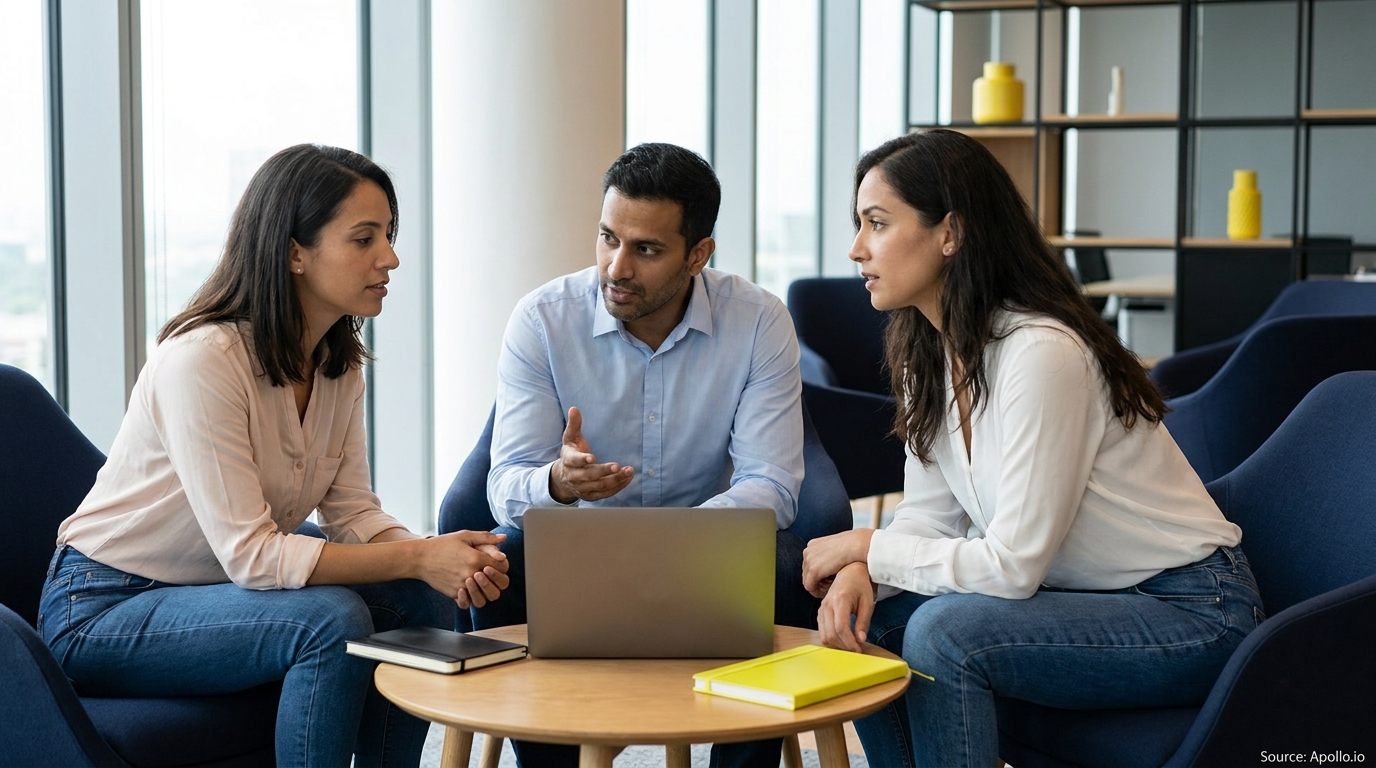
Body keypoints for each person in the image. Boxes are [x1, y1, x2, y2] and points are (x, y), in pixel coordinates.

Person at [801, 129, 1263, 768]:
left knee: (942, 635)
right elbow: (929, 515)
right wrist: (863, 570)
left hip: (1192, 609)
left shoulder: (1041, 353)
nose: (856, 249)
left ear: (951, 234)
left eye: (877, 224)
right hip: (1082, 596)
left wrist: (865, 545)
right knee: (874, 621)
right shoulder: (928, 357)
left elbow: (1014, 566)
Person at [39, 144, 510, 768]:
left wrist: (440, 561)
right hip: (103, 607)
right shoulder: (203, 360)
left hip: (218, 591)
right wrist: (421, 555)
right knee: (327, 618)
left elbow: (355, 516)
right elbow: (254, 555)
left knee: (418, 600)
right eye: (364, 238)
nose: (390, 258)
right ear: (294, 251)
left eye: (389, 236)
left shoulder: (338, 367)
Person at [477, 142, 809, 768]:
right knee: (506, 561)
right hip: (579, 546)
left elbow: (773, 481)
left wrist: (678, 540)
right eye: (608, 238)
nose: (616, 267)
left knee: (785, 567)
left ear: (698, 255)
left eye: (646, 249)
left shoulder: (759, 320)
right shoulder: (542, 319)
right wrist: (558, 483)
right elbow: (503, 484)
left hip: (712, 550)